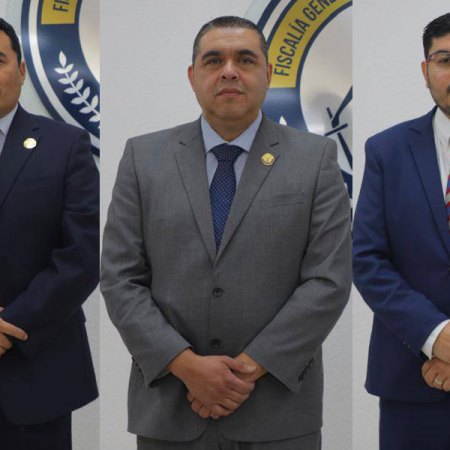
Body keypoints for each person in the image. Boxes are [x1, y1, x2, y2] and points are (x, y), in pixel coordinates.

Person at [101, 16, 351, 450]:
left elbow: (328, 281)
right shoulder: (143, 158)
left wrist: (245, 371)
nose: (229, 71)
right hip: (170, 407)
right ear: (192, 76)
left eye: (245, 60)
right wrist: (186, 365)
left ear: (269, 73)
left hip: (278, 411)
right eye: (214, 60)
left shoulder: (315, 159)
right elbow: (120, 278)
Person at [0, 18, 99, 450]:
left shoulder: (66, 145)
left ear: (22, 70)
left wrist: (11, 324)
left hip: (35, 369)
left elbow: (83, 254)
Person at [353, 12, 450, 450]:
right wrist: (436, 337)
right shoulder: (386, 150)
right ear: (426, 70)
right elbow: (368, 260)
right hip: (413, 383)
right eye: (445, 60)